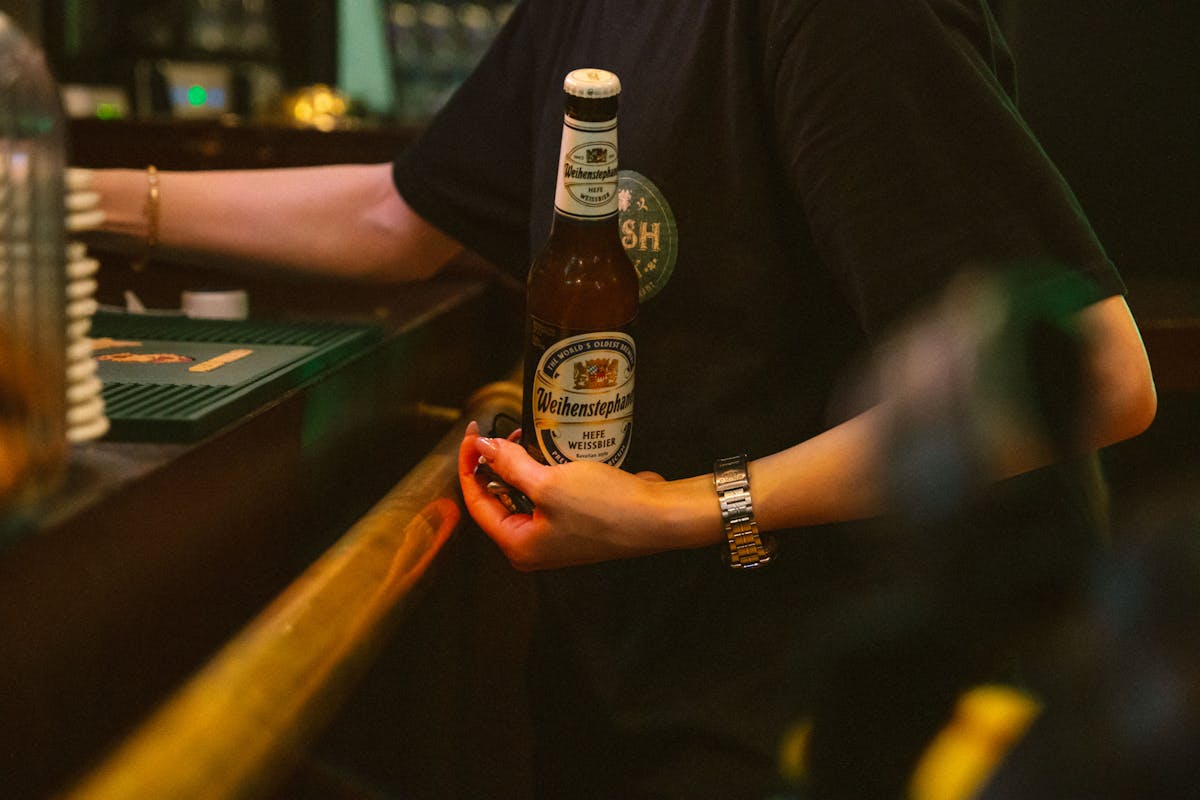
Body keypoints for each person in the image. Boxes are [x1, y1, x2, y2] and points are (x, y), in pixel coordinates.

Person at [89, 1, 1158, 797]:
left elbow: (1095, 373)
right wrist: (67, 192)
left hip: (810, 710)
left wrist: (689, 508)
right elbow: (393, 216)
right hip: (630, 668)